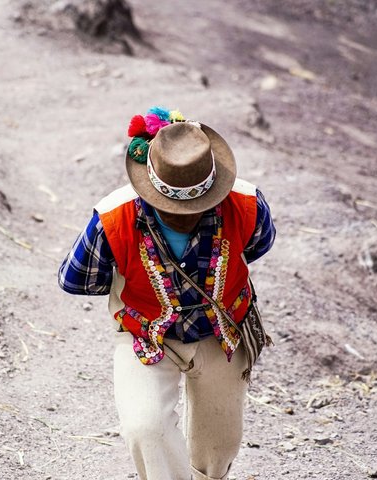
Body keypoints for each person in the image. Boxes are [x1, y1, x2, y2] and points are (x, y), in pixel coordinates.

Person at [58, 107, 275, 480]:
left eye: (193, 207)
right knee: (145, 427)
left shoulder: (248, 203)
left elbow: (256, 245)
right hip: (145, 334)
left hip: (222, 332)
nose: (182, 214)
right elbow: (75, 277)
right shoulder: (113, 216)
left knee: (219, 447)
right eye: (172, 207)